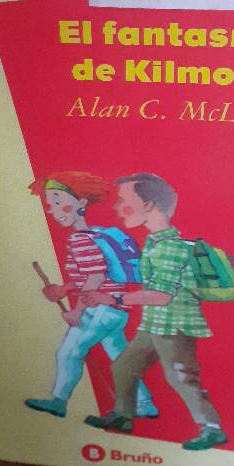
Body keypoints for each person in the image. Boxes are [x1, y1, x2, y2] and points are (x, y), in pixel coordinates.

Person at [83, 173, 227, 451]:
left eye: (123, 201)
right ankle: (123, 415)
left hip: (174, 326)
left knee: (180, 377)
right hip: (154, 324)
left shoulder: (169, 248)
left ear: (148, 205)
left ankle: (212, 428)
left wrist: (111, 297)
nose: (116, 208)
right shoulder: (155, 242)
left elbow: (161, 296)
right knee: (124, 366)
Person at [24, 171, 158, 419]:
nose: (53, 210)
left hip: (98, 310)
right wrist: (64, 289)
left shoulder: (80, 240)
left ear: (82, 203)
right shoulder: (94, 235)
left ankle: (59, 402)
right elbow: (93, 274)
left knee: (69, 352)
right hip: (115, 311)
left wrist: (77, 311)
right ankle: (144, 404)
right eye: (50, 205)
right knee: (120, 358)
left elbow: (95, 277)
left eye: (58, 202)